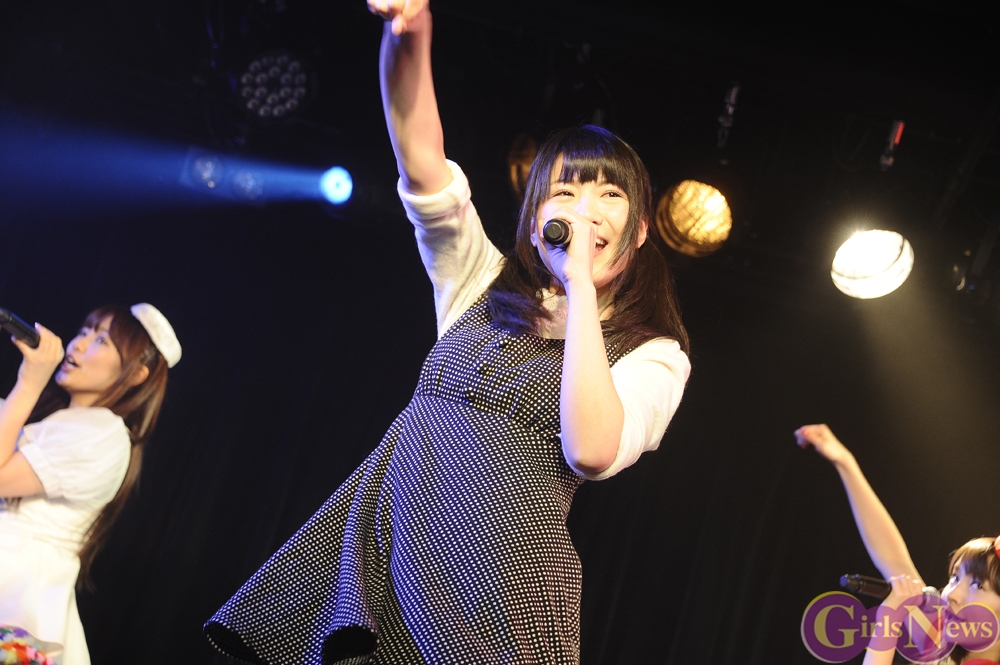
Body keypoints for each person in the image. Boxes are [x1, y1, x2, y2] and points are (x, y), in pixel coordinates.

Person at [204, 1, 690, 662]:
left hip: (499, 593)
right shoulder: (480, 284)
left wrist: (580, 286)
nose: (586, 210)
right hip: (391, 562)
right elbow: (422, 161)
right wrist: (408, 32)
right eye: (565, 192)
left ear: (639, 231)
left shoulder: (655, 355)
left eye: (610, 195)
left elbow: (592, 450)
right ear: (535, 221)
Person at [0, 303, 181, 665]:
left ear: (136, 374)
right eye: (84, 332)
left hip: (19, 587)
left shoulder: (103, 435)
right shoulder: (49, 421)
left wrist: (30, 381)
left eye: (101, 340)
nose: (78, 344)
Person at [796, 424, 1000, 665]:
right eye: (955, 578)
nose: (952, 595)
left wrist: (888, 620)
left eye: (978, 585)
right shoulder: (941, 645)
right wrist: (845, 462)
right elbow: (893, 560)